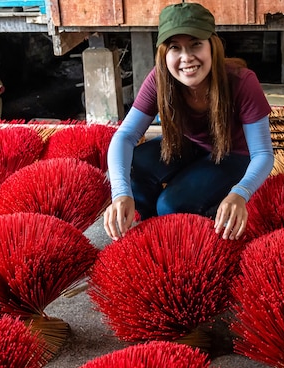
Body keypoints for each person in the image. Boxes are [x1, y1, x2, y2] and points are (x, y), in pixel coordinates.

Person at [104, 2, 274, 241]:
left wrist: (240, 194)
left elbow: (263, 154)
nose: (186, 58)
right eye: (175, 48)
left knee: (171, 205)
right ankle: (142, 229)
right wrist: (121, 194)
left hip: (233, 155)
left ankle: (182, 221)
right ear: (165, 52)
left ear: (212, 46)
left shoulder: (241, 82)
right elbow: (125, 136)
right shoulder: (159, 80)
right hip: (189, 146)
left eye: (196, 44)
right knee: (127, 169)